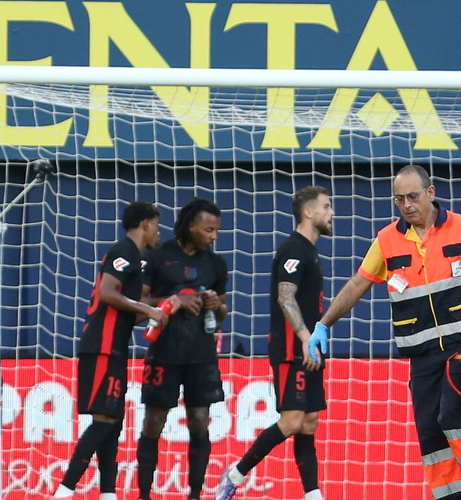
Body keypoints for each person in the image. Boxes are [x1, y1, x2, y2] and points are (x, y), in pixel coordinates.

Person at [308, 165, 461, 500]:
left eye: (412, 196)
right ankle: (451, 496)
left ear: (431, 192)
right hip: (422, 358)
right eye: (399, 200)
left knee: (452, 415)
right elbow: (357, 285)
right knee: (430, 435)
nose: (407, 205)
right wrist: (324, 324)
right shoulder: (387, 240)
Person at [215, 187, 334, 500]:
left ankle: (313, 494)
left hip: (309, 348)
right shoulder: (294, 249)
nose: (331, 212)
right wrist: (306, 338)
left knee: (309, 422)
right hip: (292, 349)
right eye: (326, 206)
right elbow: (285, 296)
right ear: (309, 213)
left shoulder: (310, 251)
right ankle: (234, 474)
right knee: (292, 420)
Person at [51, 203, 169, 500]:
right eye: (156, 224)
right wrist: (147, 307)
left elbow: (128, 312)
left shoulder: (134, 259)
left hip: (114, 347)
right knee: (105, 420)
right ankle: (64, 489)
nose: (158, 231)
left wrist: (163, 305)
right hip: (101, 346)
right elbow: (107, 293)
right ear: (144, 224)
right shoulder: (124, 251)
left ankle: (108, 493)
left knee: (113, 421)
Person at [137, 198, 229, 500]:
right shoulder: (159, 257)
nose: (213, 236)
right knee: (154, 421)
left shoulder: (215, 264)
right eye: (208, 229)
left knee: (200, 421)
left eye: (215, 230)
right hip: (164, 352)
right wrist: (173, 300)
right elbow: (138, 306)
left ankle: (195, 495)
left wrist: (217, 306)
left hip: (202, 356)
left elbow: (223, 313)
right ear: (191, 226)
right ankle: (144, 494)